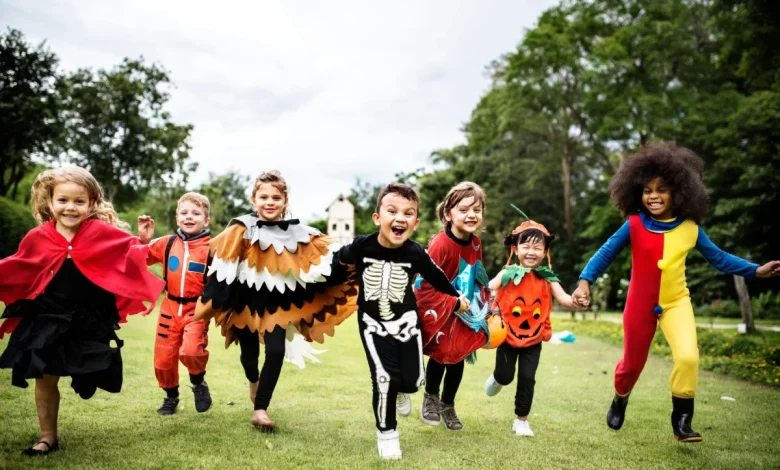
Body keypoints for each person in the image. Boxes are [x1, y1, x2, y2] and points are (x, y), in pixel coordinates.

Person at [571, 142, 780, 442]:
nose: (653, 196)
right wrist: (584, 281)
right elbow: (605, 253)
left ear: (679, 192)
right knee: (631, 365)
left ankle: (682, 420)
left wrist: (756, 269)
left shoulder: (691, 228)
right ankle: (620, 398)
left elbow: (719, 258)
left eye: (662, 189)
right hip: (639, 304)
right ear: (637, 193)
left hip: (676, 302)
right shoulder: (633, 224)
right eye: (647, 190)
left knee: (688, 357)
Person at [0, 167, 164, 455]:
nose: (70, 208)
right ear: (49, 201)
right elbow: (19, 264)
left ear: (92, 204)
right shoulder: (38, 237)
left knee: (88, 377)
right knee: (45, 374)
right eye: (63, 200)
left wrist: (143, 241)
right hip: (47, 315)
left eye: (79, 201)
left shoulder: (101, 232)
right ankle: (47, 437)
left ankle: (85, 377)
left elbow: (128, 255)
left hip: (89, 317)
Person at [336, 183, 470, 460]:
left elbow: (437, 278)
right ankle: (387, 434)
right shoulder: (362, 246)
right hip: (372, 322)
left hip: (407, 320)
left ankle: (401, 390)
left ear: (416, 222)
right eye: (392, 211)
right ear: (378, 217)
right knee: (384, 377)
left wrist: (457, 298)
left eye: (408, 213)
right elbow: (335, 263)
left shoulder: (415, 252)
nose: (400, 218)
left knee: (411, 381)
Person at [137, 192, 213, 415]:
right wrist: (142, 240)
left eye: (196, 213)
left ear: (206, 220)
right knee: (163, 358)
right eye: (184, 212)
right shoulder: (166, 243)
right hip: (169, 307)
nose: (189, 217)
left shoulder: (213, 248)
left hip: (196, 309)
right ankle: (171, 397)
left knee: (191, 351)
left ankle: (199, 383)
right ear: (177, 217)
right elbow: (139, 257)